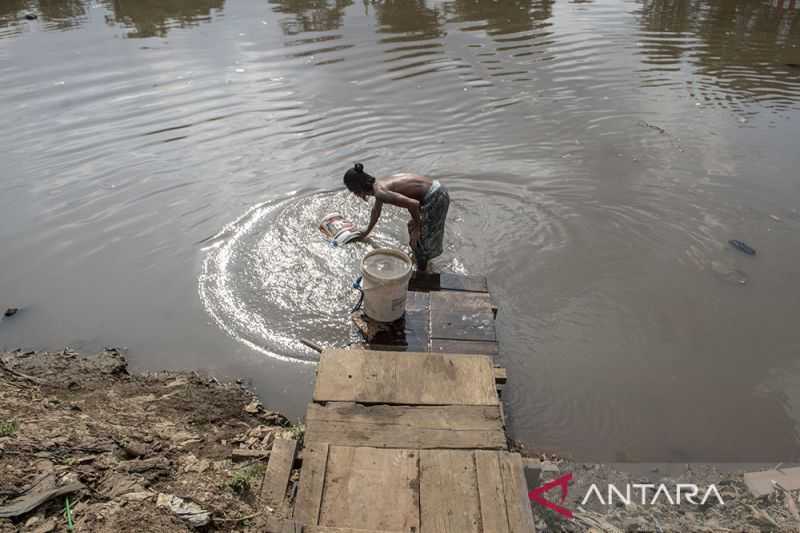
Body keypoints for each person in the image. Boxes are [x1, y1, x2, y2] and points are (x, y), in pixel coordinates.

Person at [343, 163, 449, 270]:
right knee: (412, 229)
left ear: (357, 188)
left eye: (353, 191)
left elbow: (413, 204)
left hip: (435, 196)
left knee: (421, 240)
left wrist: (418, 227)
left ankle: (423, 274)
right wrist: (366, 232)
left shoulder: (380, 192)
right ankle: (419, 262)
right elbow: (376, 211)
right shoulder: (378, 184)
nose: (355, 195)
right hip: (434, 189)